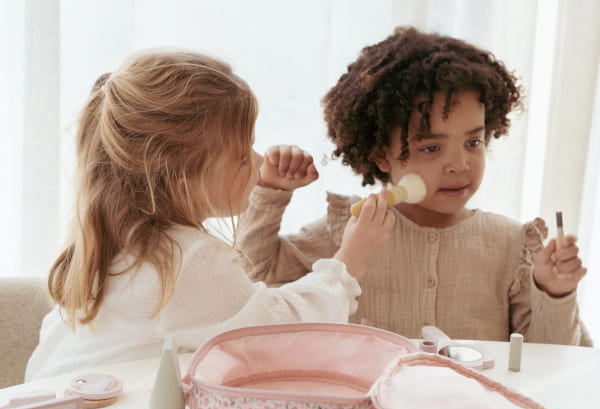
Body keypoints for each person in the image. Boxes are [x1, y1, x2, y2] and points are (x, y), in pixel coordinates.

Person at [25, 50, 395, 381]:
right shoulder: (185, 260)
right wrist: (349, 263)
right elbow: (282, 331)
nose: (259, 161)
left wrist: (268, 188)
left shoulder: (115, 245)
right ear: (182, 178)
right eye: (241, 157)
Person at [237, 26, 592, 346]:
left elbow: (550, 358)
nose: (459, 165)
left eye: (473, 142)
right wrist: (270, 191)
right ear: (381, 154)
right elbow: (254, 278)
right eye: (432, 148)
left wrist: (554, 292)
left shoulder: (511, 245)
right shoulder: (351, 232)